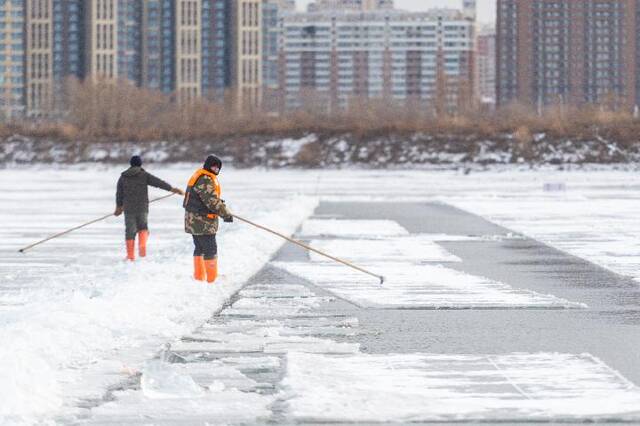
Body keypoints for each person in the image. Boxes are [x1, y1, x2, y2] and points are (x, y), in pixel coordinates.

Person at [115, 155, 184, 261]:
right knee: (143, 227)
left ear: (131, 164)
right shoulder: (144, 175)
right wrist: (172, 189)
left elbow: (119, 193)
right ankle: (142, 245)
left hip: (129, 208)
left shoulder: (123, 177)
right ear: (140, 164)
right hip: (142, 207)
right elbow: (158, 183)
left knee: (130, 231)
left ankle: (130, 256)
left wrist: (118, 207)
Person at [183, 155, 233, 283]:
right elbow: (211, 201)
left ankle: (199, 278)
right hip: (202, 221)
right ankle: (212, 280)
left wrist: (221, 206)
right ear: (208, 166)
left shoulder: (200, 176)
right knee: (210, 249)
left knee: (199, 248)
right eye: (214, 166)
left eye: (218, 167)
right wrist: (225, 213)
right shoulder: (205, 179)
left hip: (193, 220)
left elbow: (204, 199)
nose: (216, 169)